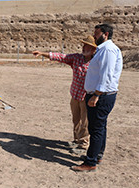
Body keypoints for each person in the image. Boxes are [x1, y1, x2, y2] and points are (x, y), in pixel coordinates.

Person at [32, 36, 97, 155]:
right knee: (76, 120)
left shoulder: (96, 62)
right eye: (83, 46)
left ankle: (83, 145)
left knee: (85, 122)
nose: (84, 48)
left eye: (87, 46)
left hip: (87, 97)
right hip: (75, 95)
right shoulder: (76, 58)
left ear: (93, 49)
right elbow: (61, 57)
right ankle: (77, 140)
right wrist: (42, 53)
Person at [71, 24, 123, 172]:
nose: (94, 36)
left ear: (105, 34)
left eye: (96, 34)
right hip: (100, 94)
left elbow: (106, 75)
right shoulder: (104, 50)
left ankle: (90, 162)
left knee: (96, 129)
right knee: (100, 127)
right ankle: (97, 155)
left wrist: (96, 95)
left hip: (101, 96)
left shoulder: (107, 50)